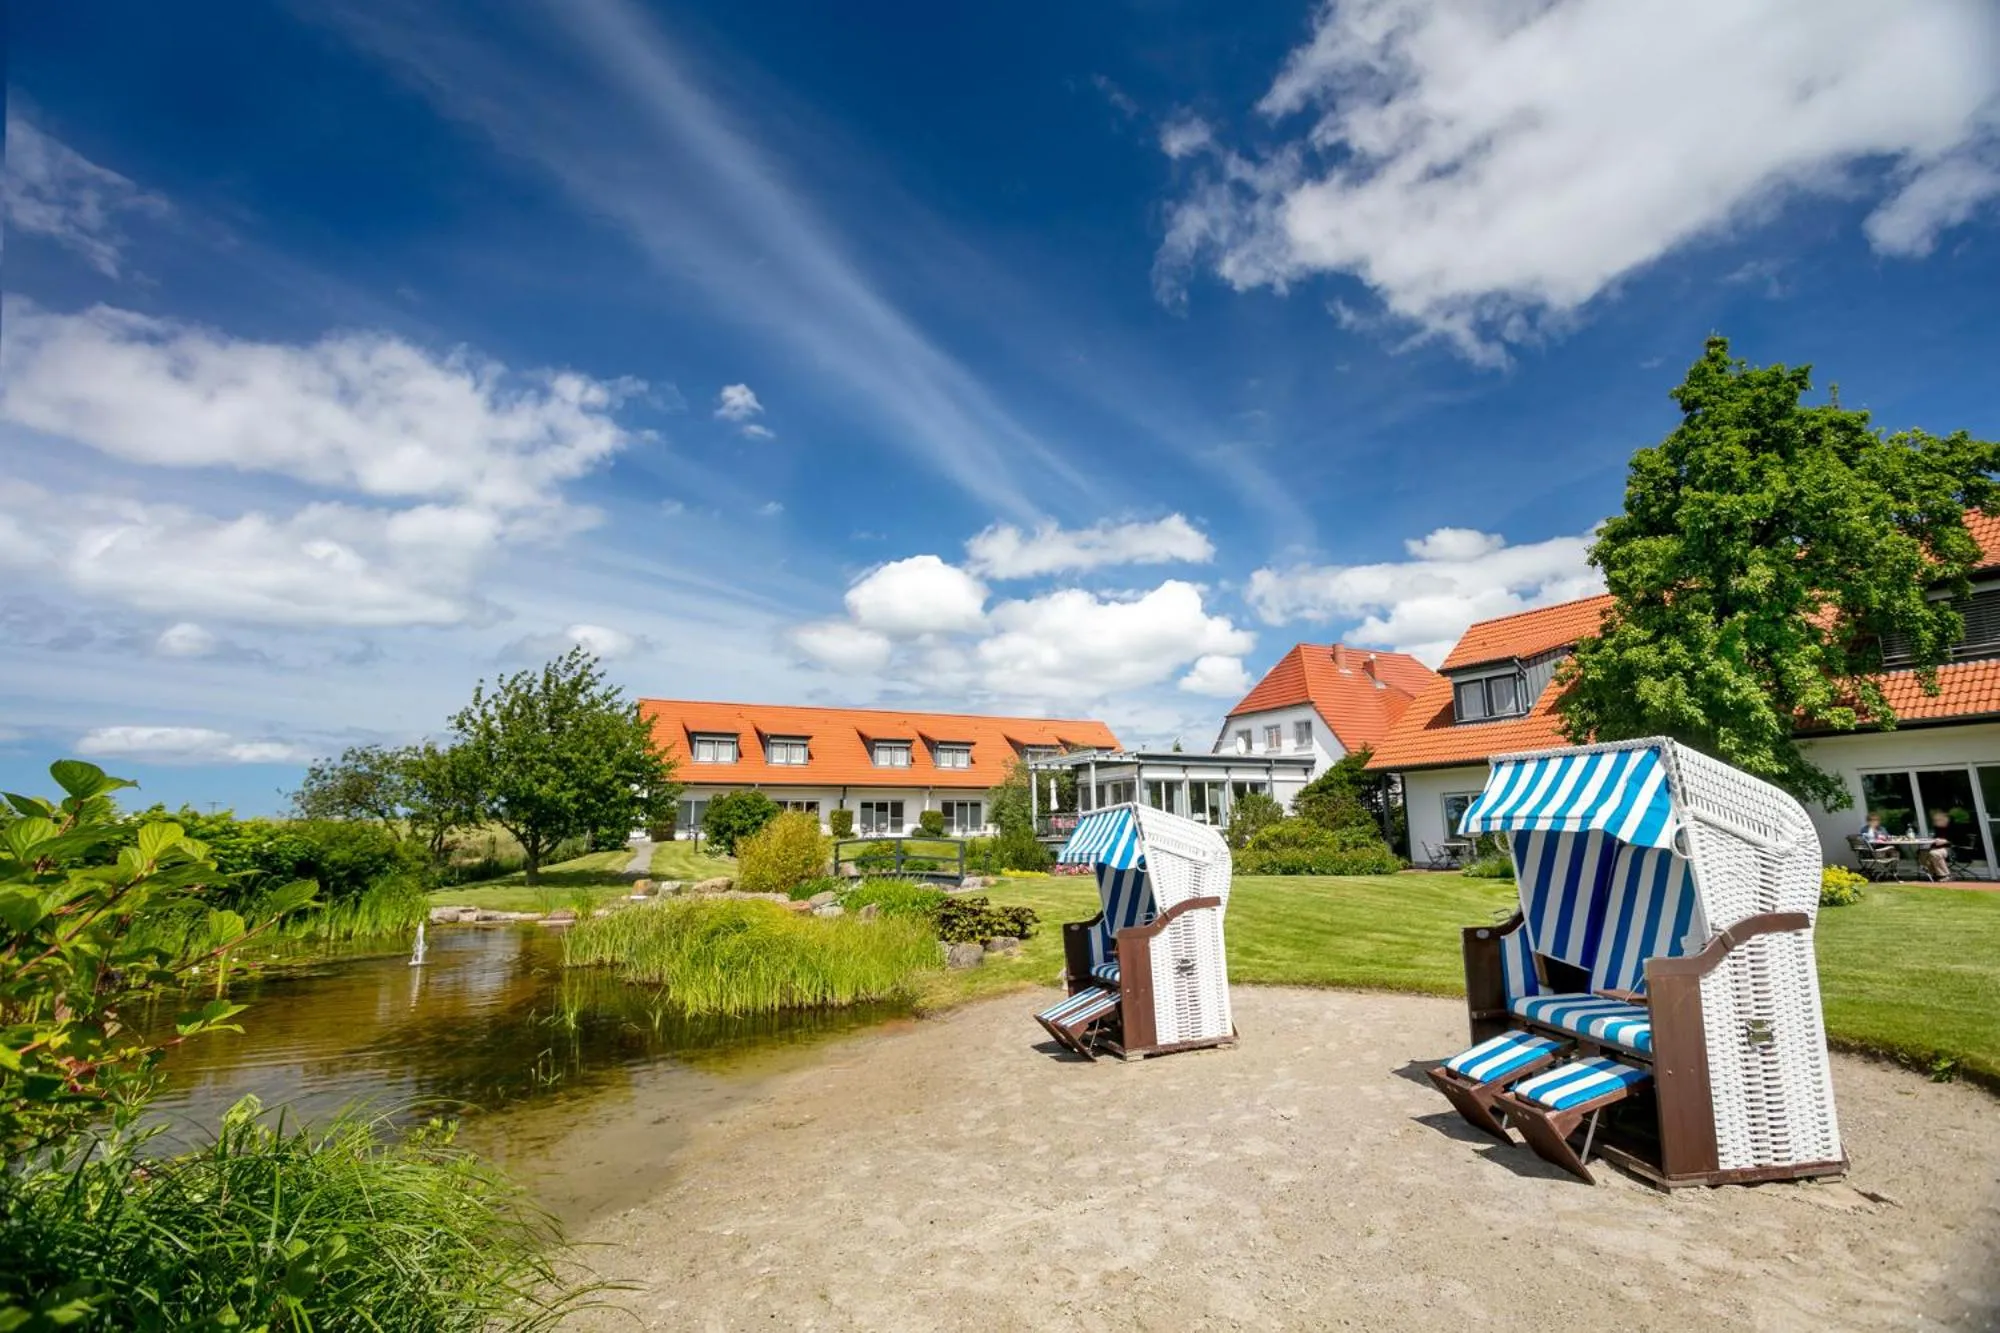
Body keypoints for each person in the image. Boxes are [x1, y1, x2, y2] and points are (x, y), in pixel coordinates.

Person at [1923, 809, 1958, 880]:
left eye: (1939, 819)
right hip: (1936, 848)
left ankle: (1946, 875)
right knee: (1922, 853)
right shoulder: (1938, 829)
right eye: (1935, 820)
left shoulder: (1954, 828)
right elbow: (1935, 839)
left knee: (1934, 853)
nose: (1936, 821)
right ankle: (1933, 874)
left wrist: (1946, 841)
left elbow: (1958, 840)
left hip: (1951, 849)